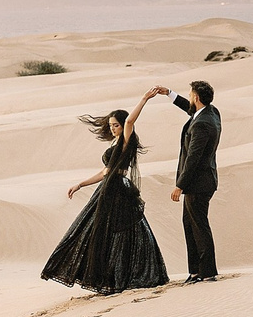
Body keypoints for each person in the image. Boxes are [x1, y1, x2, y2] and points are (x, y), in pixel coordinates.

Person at [40, 87, 170, 295]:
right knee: (98, 231)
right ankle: (108, 277)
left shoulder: (127, 140)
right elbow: (104, 172)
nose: (113, 128)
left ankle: (124, 276)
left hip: (118, 189)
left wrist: (144, 98)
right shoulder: (115, 141)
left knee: (123, 233)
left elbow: (129, 122)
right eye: (111, 126)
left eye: (115, 125)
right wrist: (80, 184)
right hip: (107, 188)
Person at [162, 78, 222, 283]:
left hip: (198, 183)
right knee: (190, 224)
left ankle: (207, 272)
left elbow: (193, 159)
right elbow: (191, 111)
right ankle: (196, 271)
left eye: (189, 95)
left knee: (198, 226)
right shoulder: (211, 113)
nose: (188, 97)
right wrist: (169, 93)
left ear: (196, 98)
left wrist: (179, 185)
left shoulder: (202, 125)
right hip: (203, 181)